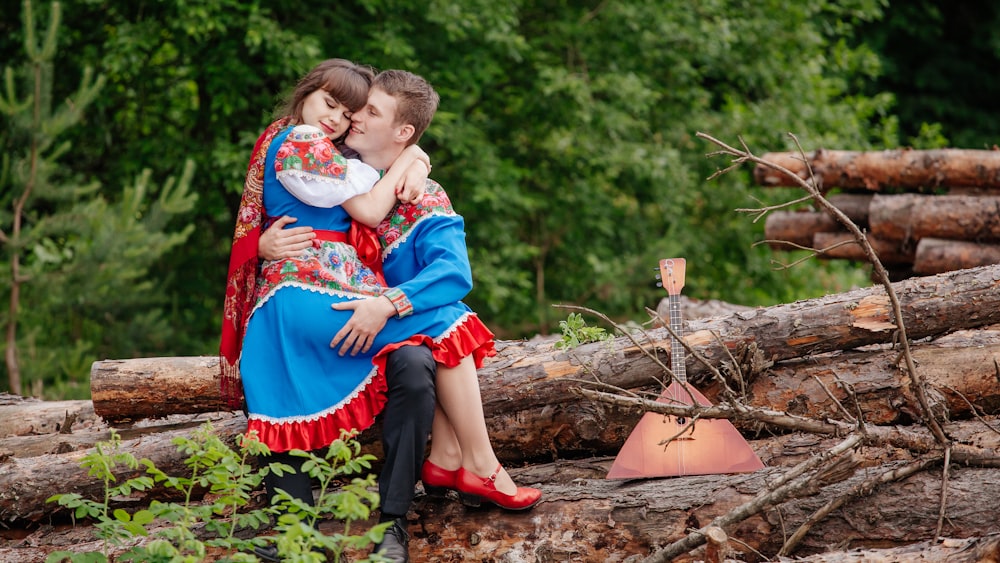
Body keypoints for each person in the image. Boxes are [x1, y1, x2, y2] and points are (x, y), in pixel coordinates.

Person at [257, 69, 543, 561]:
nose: (350, 120)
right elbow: (288, 205)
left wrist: (386, 303)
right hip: (332, 310)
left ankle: (395, 519)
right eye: (352, 109)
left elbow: (454, 272)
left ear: (403, 131)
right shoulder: (337, 167)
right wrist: (263, 246)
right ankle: (463, 462)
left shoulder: (421, 195)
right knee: (449, 325)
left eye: (366, 111)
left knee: (416, 361)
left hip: (389, 324)